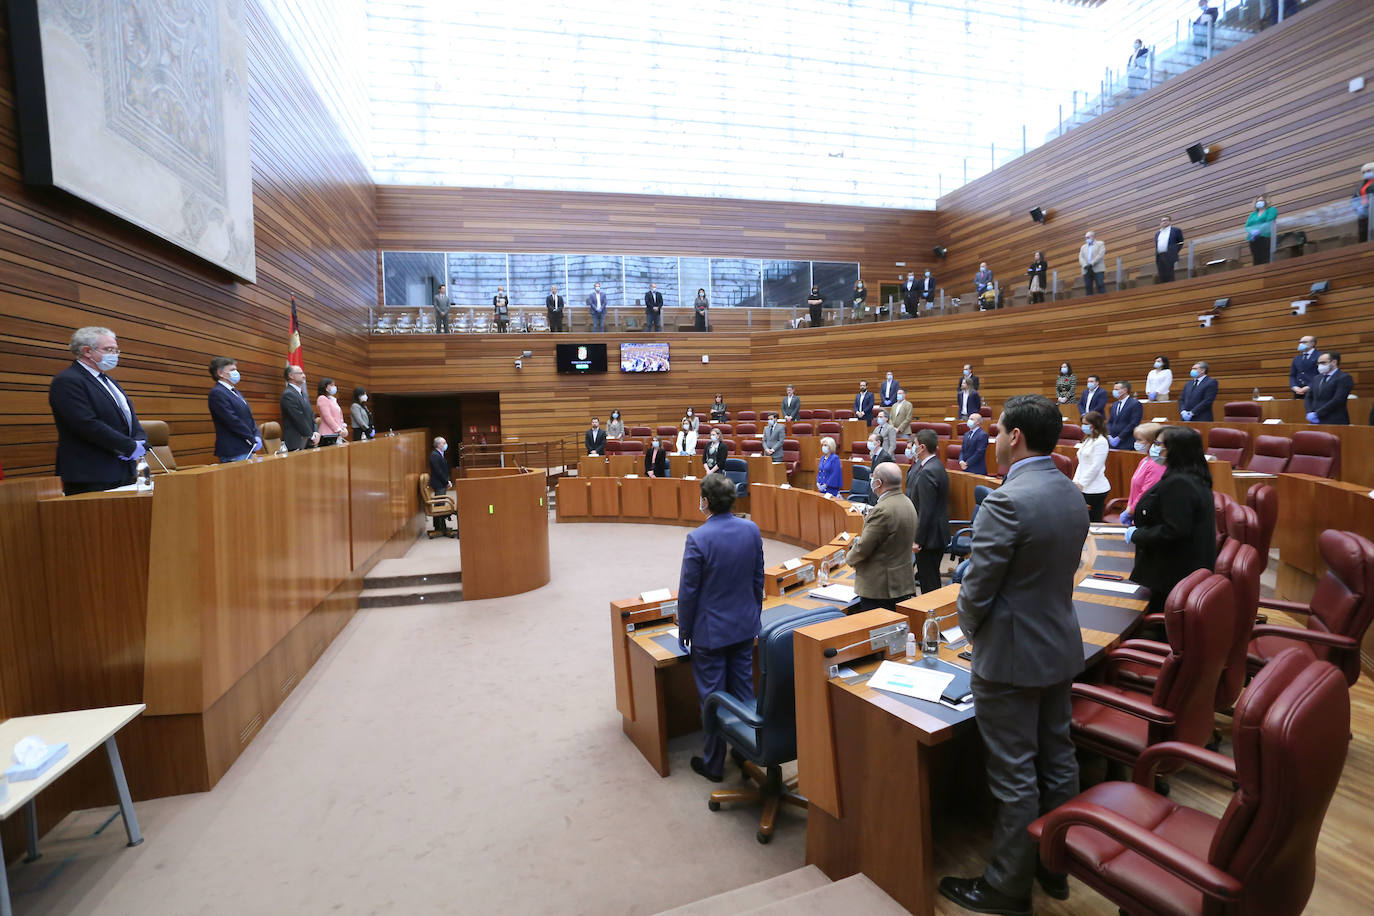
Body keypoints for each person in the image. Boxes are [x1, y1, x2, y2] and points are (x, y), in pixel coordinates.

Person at [941, 394, 1089, 916]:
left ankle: (1006, 886)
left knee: (1014, 774)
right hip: (1059, 644)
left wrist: (968, 634)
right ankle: (1055, 865)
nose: (994, 439)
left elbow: (976, 591)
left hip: (1009, 656)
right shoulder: (1072, 493)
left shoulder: (1006, 501)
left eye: (998, 431)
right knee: (1058, 757)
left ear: (1015, 437)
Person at [676, 473, 765, 782]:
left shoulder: (698, 538)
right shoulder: (751, 530)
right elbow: (758, 579)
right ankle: (744, 751)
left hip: (710, 632)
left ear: (705, 502)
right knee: (742, 690)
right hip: (744, 625)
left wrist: (685, 629)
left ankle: (714, 765)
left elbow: (689, 592)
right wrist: (755, 615)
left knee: (712, 696)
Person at [1125, 426, 1216, 612]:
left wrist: (1137, 535)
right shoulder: (1190, 476)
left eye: (1159, 444)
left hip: (1172, 576)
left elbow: (1174, 530)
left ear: (1175, 449)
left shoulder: (1180, 483)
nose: (1154, 448)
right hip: (1178, 571)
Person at [48, 327, 146, 495]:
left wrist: (140, 440)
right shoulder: (67, 381)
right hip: (91, 473)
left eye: (116, 350)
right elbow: (86, 423)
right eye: (109, 350)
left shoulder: (107, 380)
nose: (115, 354)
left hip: (122, 469)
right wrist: (128, 446)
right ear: (87, 351)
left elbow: (128, 416)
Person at [846, 462, 918, 613]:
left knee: (879, 631)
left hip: (880, 587)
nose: (871, 480)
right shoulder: (907, 502)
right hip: (901, 580)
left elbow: (864, 547)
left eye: (873, 478)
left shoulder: (882, 510)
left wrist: (849, 558)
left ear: (878, 483)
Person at [905, 429, 949, 595]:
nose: (912, 448)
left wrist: (918, 540)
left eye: (914, 445)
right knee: (928, 579)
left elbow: (926, 510)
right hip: (932, 535)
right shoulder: (932, 465)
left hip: (930, 538)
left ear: (922, 447)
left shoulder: (929, 471)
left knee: (929, 584)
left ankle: (932, 617)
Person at [208, 357, 260, 463]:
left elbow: (248, 416)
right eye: (232, 370)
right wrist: (251, 439)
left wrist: (257, 435)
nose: (236, 372)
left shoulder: (234, 392)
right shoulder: (217, 393)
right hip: (234, 450)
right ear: (220, 373)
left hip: (246, 447)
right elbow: (232, 420)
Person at [1118, 423, 1168, 526]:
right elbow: (1136, 488)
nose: (1136, 443)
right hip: (1136, 511)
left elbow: (1147, 493)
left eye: (1140, 440)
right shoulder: (1145, 460)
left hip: (1145, 514)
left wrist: (1130, 510)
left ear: (1152, 442)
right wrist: (1130, 507)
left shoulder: (1156, 465)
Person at [1074, 411, 1111, 522]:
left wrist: (1082, 483)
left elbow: (1096, 466)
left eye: (1086, 424)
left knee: (1093, 521)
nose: (1083, 426)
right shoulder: (1088, 439)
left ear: (1094, 424)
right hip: (1082, 486)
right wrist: (1075, 481)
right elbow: (1082, 463)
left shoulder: (1101, 442)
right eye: (1083, 423)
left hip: (1095, 489)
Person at [1305, 351, 1353, 425]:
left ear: (1334, 362)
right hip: (1316, 420)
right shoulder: (1317, 378)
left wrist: (1318, 413)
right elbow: (1309, 397)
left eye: (1323, 363)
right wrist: (1309, 412)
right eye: (1318, 363)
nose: (1320, 366)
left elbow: (1338, 400)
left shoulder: (1344, 377)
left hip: (1334, 420)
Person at [280, 364, 319, 451]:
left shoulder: (303, 394)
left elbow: (311, 415)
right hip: (296, 441)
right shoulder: (288, 394)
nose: (304, 376)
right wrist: (311, 435)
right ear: (291, 376)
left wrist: (316, 431)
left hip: (308, 439)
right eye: (300, 373)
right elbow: (298, 418)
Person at [428, 437, 455, 537]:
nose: (446, 444)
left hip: (441, 483)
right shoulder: (434, 455)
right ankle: (440, 527)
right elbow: (438, 471)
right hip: (438, 483)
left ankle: (440, 526)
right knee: (440, 505)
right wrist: (446, 481)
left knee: (440, 504)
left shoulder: (439, 454)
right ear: (438, 445)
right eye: (444, 443)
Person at [1106, 380, 1142, 448]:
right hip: (1112, 441)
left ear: (1125, 390)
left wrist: (1119, 437)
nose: (1114, 391)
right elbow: (1110, 422)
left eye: (1116, 389)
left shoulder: (1135, 404)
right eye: (1114, 389)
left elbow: (1134, 423)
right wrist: (1109, 435)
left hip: (1126, 441)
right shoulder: (1114, 404)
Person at [1246, 197, 1277, 266]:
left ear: (1266, 201)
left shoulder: (1271, 210)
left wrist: (1258, 230)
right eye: (1257, 201)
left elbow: (1269, 221)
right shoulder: (1253, 214)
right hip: (1254, 239)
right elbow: (1247, 226)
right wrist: (1252, 232)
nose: (1259, 202)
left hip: (1265, 237)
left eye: (1261, 200)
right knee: (1256, 259)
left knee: (1266, 257)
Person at [1154, 216, 1185, 283]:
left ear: (1170, 222)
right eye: (1162, 221)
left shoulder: (1176, 230)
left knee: (1170, 274)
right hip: (1160, 257)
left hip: (1170, 256)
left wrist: (1174, 252)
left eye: (1166, 220)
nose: (1164, 222)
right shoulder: (1157, 233)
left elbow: (1181, 243)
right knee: (1162, 275)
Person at [1290, 334, 1320, 399]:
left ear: (1312, 344)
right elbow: (1292, 375)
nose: (1301, 344)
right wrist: (1294, 386)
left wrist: (1309, 387)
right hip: (1298, 391)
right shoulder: (1297, 358)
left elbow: (1321, 375)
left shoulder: (1320, 356)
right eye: (1300, 342)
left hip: (1314, 390)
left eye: (1304, 342)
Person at [1078, 231, 1106, 296]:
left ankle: (1103, 301)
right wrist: (1085, 265)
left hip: (1097, 268)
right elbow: (1080, 257)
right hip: (1086, 269)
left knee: (1100, 285)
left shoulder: (1100, 243)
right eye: (1085, 238)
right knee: (1088, 287)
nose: (1086, 239)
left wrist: (1092, 263)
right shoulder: (1083, 247)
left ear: (1093, 237)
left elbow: (1100, 255)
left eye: (1088, 237)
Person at [1355, 162, 1373, 244]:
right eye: (1364, 172)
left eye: (1368, 171)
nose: (1366, 173)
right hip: (1364, 214)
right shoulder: (1361, 185)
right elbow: (1355, 197)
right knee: (1363, 236)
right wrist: (1357, 207)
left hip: (1372, 211)